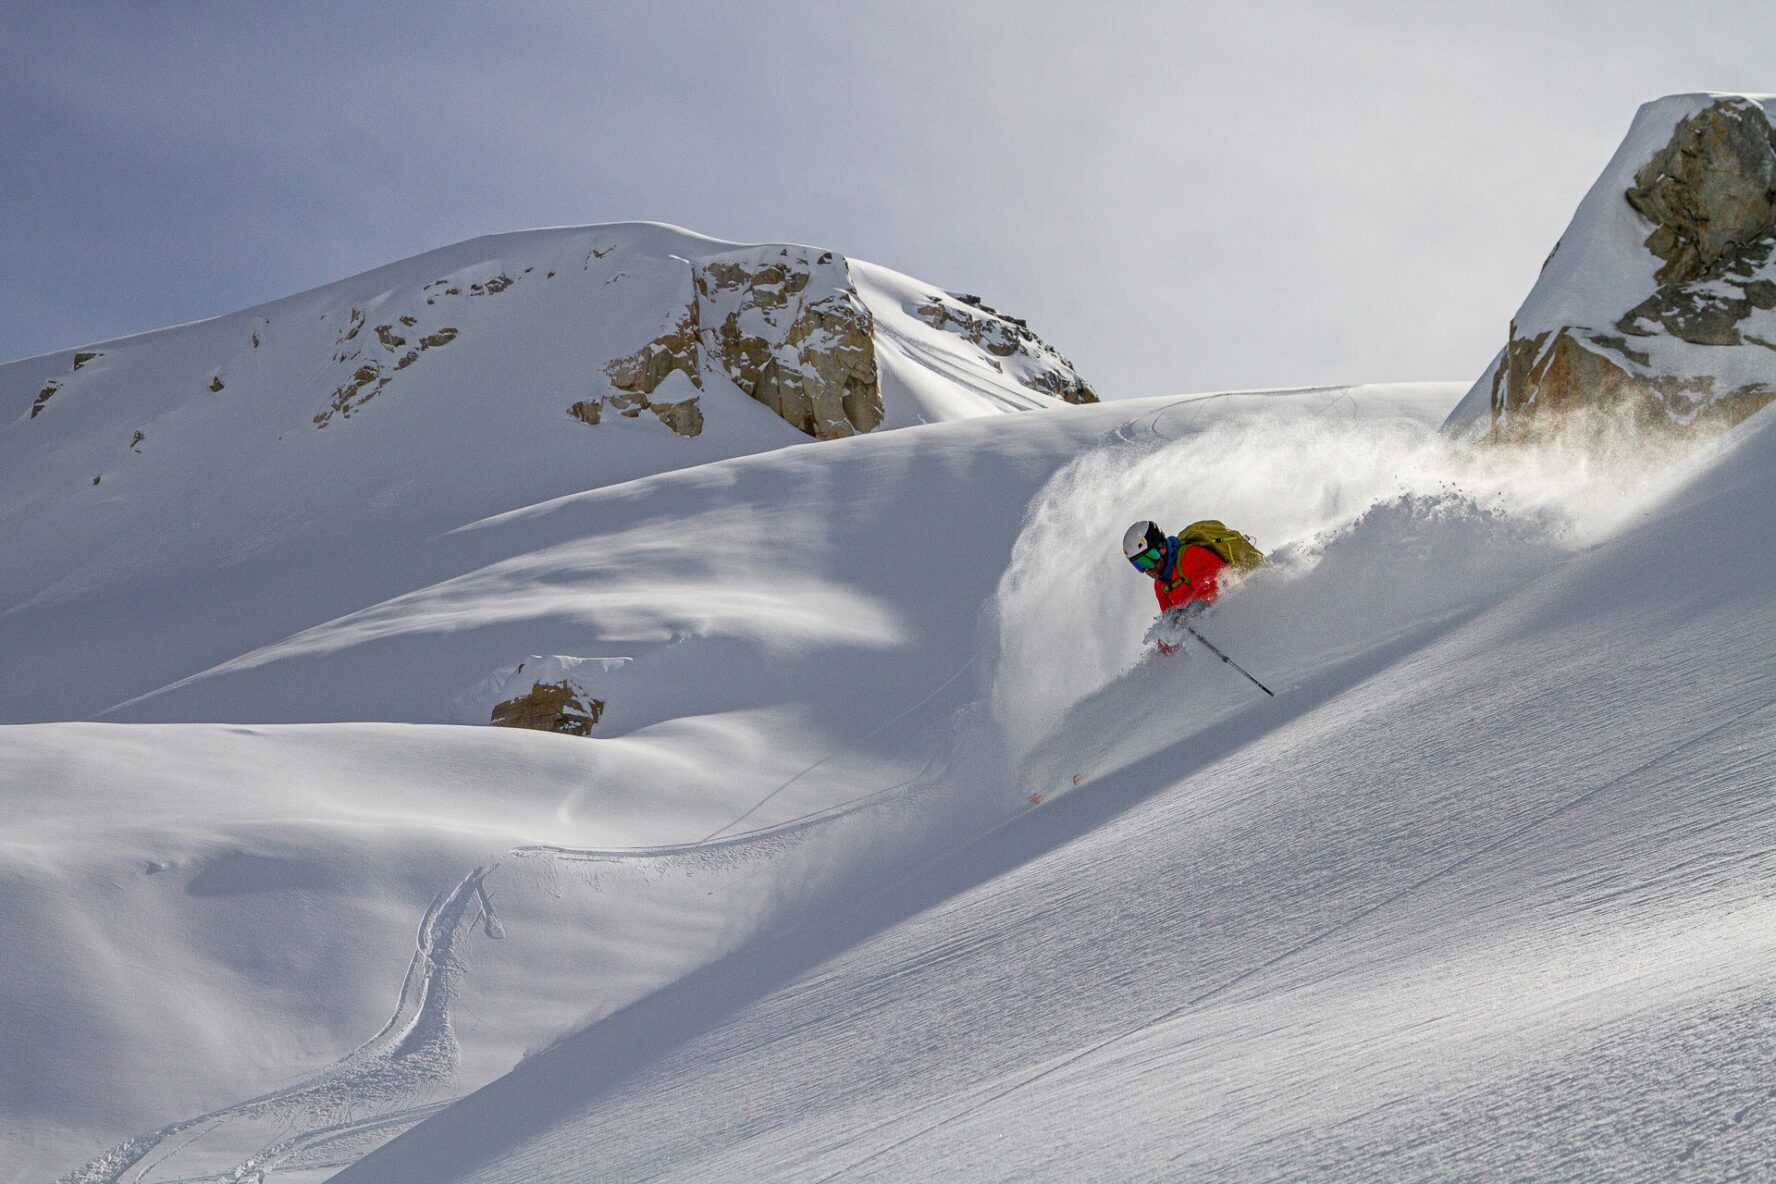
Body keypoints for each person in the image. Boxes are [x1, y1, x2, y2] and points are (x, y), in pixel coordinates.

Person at [1122, 519, 1261, 654]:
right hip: (1216, 635)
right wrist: (1167, 640)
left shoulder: (1191, 556)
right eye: (1139, 564)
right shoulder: (1161, 586)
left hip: (1245, 617)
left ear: (1162, 548)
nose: (1147, 569)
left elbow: (1217, 591)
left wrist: (1188, 616)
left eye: (1147, 559)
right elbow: (1171, 623)